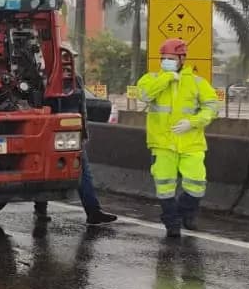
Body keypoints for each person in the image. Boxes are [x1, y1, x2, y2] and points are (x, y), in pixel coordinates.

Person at [135, 38, 219, 237]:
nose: (166, 61)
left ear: (182, 58)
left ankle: (186, 214)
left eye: (171, 58)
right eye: (163, 58)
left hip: (192, 142)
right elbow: (144, 95)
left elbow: (212, 106)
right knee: (165, 186)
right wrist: (166, 78)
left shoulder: (197, 82)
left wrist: (194, 122)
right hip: (162, 144)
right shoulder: (151, 78)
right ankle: (171, 222)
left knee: (197, 184)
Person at [35, 44, 117, 227]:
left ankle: (93, 211)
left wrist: (83, 132)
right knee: (46, 171)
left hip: (72, 134)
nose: (68, 62)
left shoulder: (76, 79)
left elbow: (83, 108)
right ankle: (41, 208)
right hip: (49, 131)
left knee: (83, 172)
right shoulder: (43, 79)